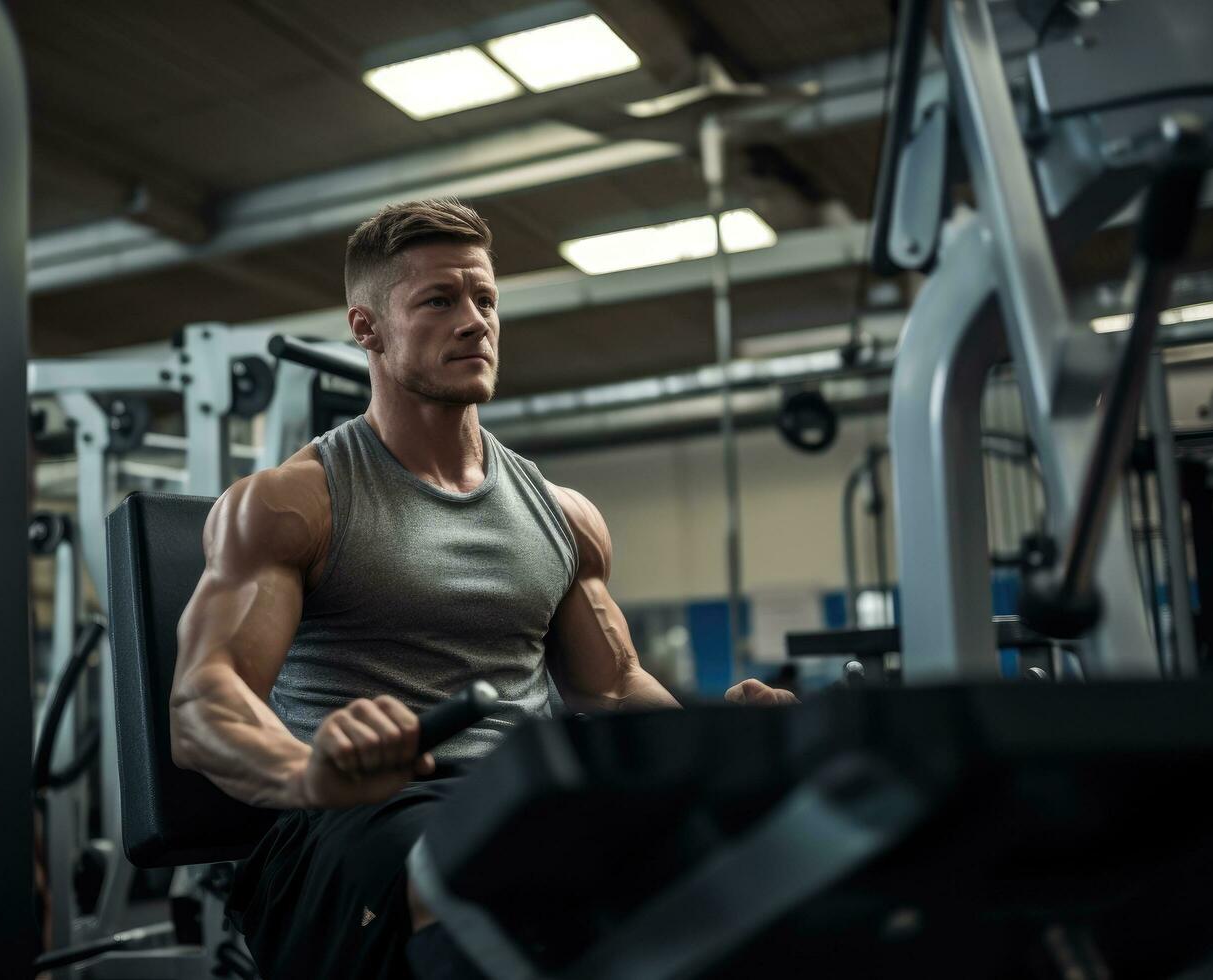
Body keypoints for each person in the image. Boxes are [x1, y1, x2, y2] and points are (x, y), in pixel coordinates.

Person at [167, 198, 796, 979]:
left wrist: (722, 744)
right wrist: (308, 772)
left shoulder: (564, 515)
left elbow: (611, 688)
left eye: (485, 299)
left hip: (524, 794)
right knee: (490, 883)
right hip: (356, 818)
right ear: (367, 328)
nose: (475, 321)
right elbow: (201, 706)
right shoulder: (294, 503)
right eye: (439, 301)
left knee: (740, 858)